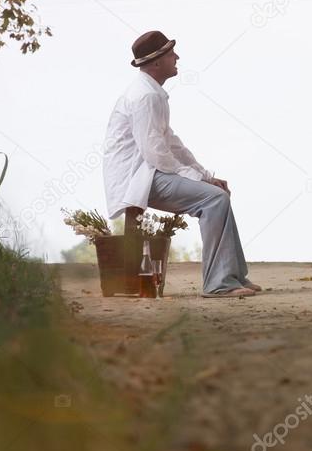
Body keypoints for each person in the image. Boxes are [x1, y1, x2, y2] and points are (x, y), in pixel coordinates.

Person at [102, 30, 260, 298]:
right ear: (156, 63)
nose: (177, 57)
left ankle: (233, 275)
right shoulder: (145, 97)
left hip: (150, 172)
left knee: (217, 194)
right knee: (214, 200)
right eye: (170, 53)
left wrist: (204, 175)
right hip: (140, 179)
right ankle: (218, 284)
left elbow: (172, 143)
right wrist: (198, 180)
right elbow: (155, 153)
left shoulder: (152, 93)